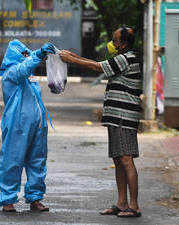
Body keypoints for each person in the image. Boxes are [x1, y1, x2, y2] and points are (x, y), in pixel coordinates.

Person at [59, 27, 142, 218]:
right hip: (116, 118)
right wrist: (72, 56)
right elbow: (99, 64)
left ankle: (134, 205)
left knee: (126, 160)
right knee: (118, 160)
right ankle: (122, 203)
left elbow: (97, 67)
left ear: (123, 43)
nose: (111, 44)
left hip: (124, 117)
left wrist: (72, 60)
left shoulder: (126, 58)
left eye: (114, 40)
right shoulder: (122, 58)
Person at [0, 39, 55, 212]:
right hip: (17, 126)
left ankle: (35, 198)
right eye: (24, 54)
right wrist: (37, 55)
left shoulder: (29, 77)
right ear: (14, 55)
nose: (27, 57)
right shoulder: (11, 74)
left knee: (38, 161)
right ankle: (7, 200)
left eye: (27, 54)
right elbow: (23, 69)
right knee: (12, 161)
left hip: (37, 126)